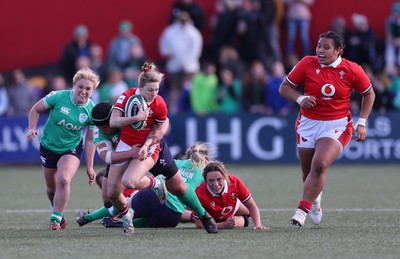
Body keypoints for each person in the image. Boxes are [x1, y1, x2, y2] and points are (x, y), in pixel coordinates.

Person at [107, 62, 217, 236]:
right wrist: (136, 117)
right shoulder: (126, 96)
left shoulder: (159, 104)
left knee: (177, 187)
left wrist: (145, 146)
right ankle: (129, 211)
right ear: (140, 87)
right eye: (150, 90)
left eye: (157, 89)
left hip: (151, 146)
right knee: (112, 193)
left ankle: (204, 216)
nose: (154, 94)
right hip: (127, 145)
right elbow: (113, 122)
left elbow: (158, 130)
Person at [278, 31, 375, 227]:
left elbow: (369, 93)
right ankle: (315, 199)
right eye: (319, 46)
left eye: (326, 47)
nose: (320, 50)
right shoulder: (307, 63)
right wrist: (300, 98)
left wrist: (362, 121)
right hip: (308, 124)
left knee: (320, 164)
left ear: (339, 51)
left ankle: (301, 211)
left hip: (337, 124)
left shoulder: (351, 69)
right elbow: (285, 87)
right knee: (308, 174)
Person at [27, 67, 100, 230]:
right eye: (80, 86)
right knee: (51, 188)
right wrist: (32, 128)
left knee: (64, 178)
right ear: (74, 86)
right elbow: (35, 109)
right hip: (48, 146)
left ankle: (55, 219)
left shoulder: (91, 111)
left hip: (71, 149)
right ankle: (57, 209)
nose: (83, 91)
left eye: (88, 88)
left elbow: (90, 140)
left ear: (93, 90)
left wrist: (90, 167)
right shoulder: (58, 96)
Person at [101, 142, 212, 228]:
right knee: (179, 209)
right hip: (172, 215)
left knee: (125, 200)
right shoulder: (206, 175)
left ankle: (89, 217)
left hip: (152, 197)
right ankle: (124, 223)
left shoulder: (176, 163)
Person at [194, 160, 268, 230]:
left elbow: (251, 205)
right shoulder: (199, 192)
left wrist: (258, 225)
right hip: (211, 215)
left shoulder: (234, 182)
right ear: (205, 180)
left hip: (232, 206)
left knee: (247, 215)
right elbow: (199, 224)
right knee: (191, 214)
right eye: (211, 180)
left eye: (219, 179)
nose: (216, 184)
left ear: (225, 177)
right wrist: (224, 225)